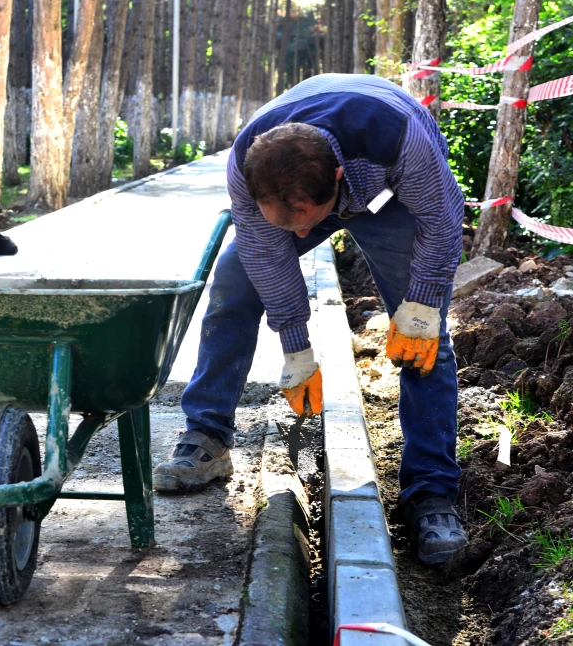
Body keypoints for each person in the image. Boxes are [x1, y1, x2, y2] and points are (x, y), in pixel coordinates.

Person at [152, 73, 468, 564]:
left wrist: (422, 304)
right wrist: (296, 348)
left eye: (304, 218)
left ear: (336, 181)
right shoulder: (248, 160)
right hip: (306, 189)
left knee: (426, 341)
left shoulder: (398, 135)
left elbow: (443, 220)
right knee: (234, 282)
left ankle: (431, 490)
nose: (301, 233)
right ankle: (207, 436)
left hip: (391, 197)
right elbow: (265, 254)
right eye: (286, 222)